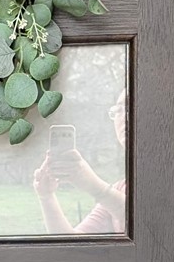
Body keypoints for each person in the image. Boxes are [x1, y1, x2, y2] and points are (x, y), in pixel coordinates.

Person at [33, 87, 127, 234]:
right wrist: (46, 196)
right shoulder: (121, 188)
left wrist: (92, 184)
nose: (124, 117)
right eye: (119, 110)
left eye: (130, 107)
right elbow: (72, 245)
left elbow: (145, 220)